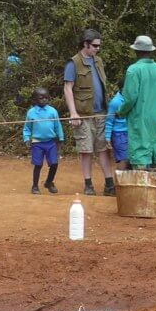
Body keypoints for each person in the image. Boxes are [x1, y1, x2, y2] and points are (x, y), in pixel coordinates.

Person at [63, 29, 115, 195]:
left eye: (99, 46)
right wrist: (73, 113)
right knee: (86, 150)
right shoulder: (73, 63)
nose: (98, 48)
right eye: (95, 45)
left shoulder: (98, 61)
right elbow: (68, 88)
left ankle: (109, 185)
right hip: (83, 114)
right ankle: (88, 184)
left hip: (101, 113)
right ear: (85, 44)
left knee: (104, 149)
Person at [118, 36, 156, 170]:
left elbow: (130, 97)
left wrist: (121, 111)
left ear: (136, 51)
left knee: (139, 146)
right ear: (150, 51)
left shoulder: (133, 70)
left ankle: (141, 176)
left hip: (139, 115)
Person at [23, 88, 64, 194]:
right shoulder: (31, 112)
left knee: (54, 163)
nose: (44, 100)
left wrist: (61, 139)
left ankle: (49, 182)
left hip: (51, 142)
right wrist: (27, 138)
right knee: (38, 165)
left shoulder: (52, 111)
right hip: (37, 143)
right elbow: (27, 128)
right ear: (35, 100)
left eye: (46, 97)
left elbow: (57, 126)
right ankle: (35, 186)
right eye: (41, 98)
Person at [104, 91, 129, 170]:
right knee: (122, 159)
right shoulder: (115, 102)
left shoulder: (133, 98)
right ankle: (119, 177)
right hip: (119, 134)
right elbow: (109, 120)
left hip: (131, 132)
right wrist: (107, 137)